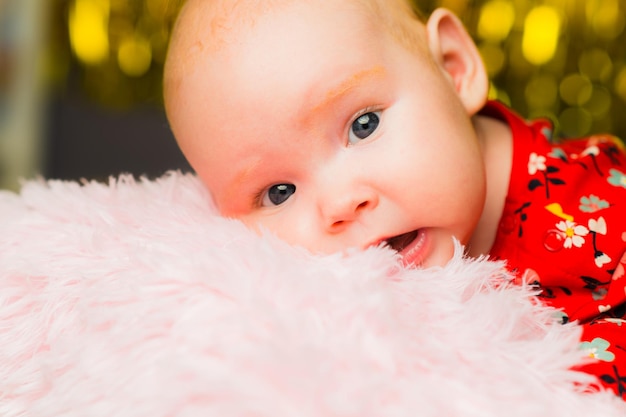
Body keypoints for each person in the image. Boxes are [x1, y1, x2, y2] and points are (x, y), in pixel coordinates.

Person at [163, 0, 626, 399]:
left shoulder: (601, 218)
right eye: (278, 192)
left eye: (363, 125)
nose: (340, 203)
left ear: (453, 67)